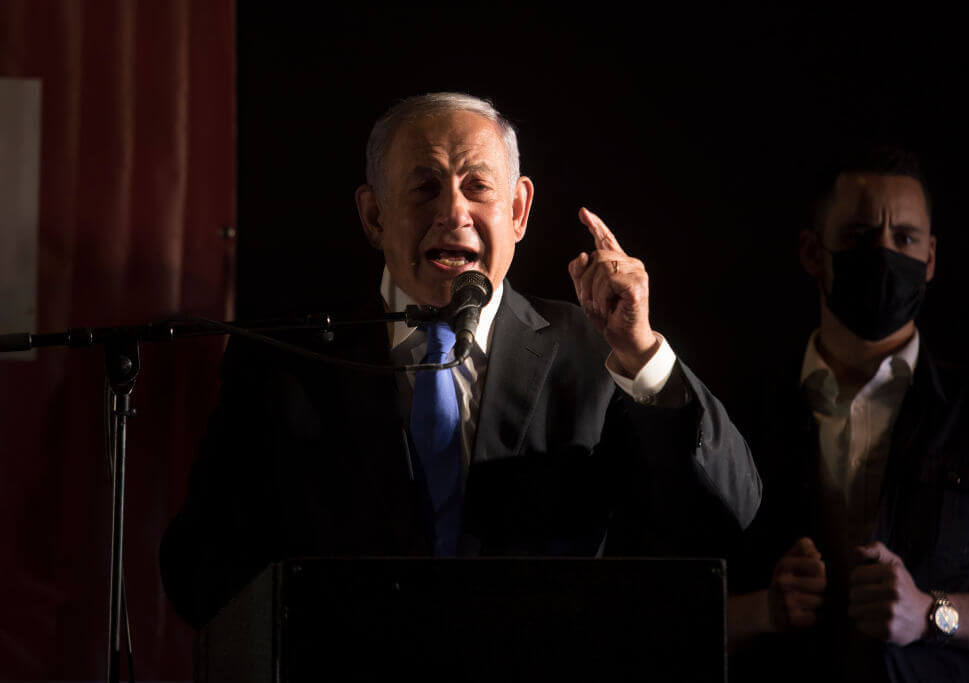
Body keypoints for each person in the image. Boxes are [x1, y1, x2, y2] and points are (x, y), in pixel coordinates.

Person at [160, 92, 761, 629]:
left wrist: (641, 351)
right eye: (424, 188)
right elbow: (200, 573)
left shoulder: (596, 350)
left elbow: (728, 513)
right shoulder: (285, 359)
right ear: (373, 216)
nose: (454, 212)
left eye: (478, 186)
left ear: (519, 211)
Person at [728, 146, 969, 681]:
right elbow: (669, 601)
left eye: (904, 239)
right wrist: (762, 611)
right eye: (860, 236)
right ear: (812, 252)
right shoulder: (740, 414)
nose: (884, 255)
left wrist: (933, 615)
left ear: (930, 259)